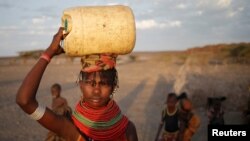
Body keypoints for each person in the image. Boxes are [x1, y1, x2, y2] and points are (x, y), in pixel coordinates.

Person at [16, 27, 138, 141]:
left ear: (113, 86)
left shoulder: (128, 130)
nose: (96, 90)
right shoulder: (70, 127)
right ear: (80, 84)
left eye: (104, 83)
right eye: (90, 83)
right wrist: (49, 52)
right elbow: (24, 101)